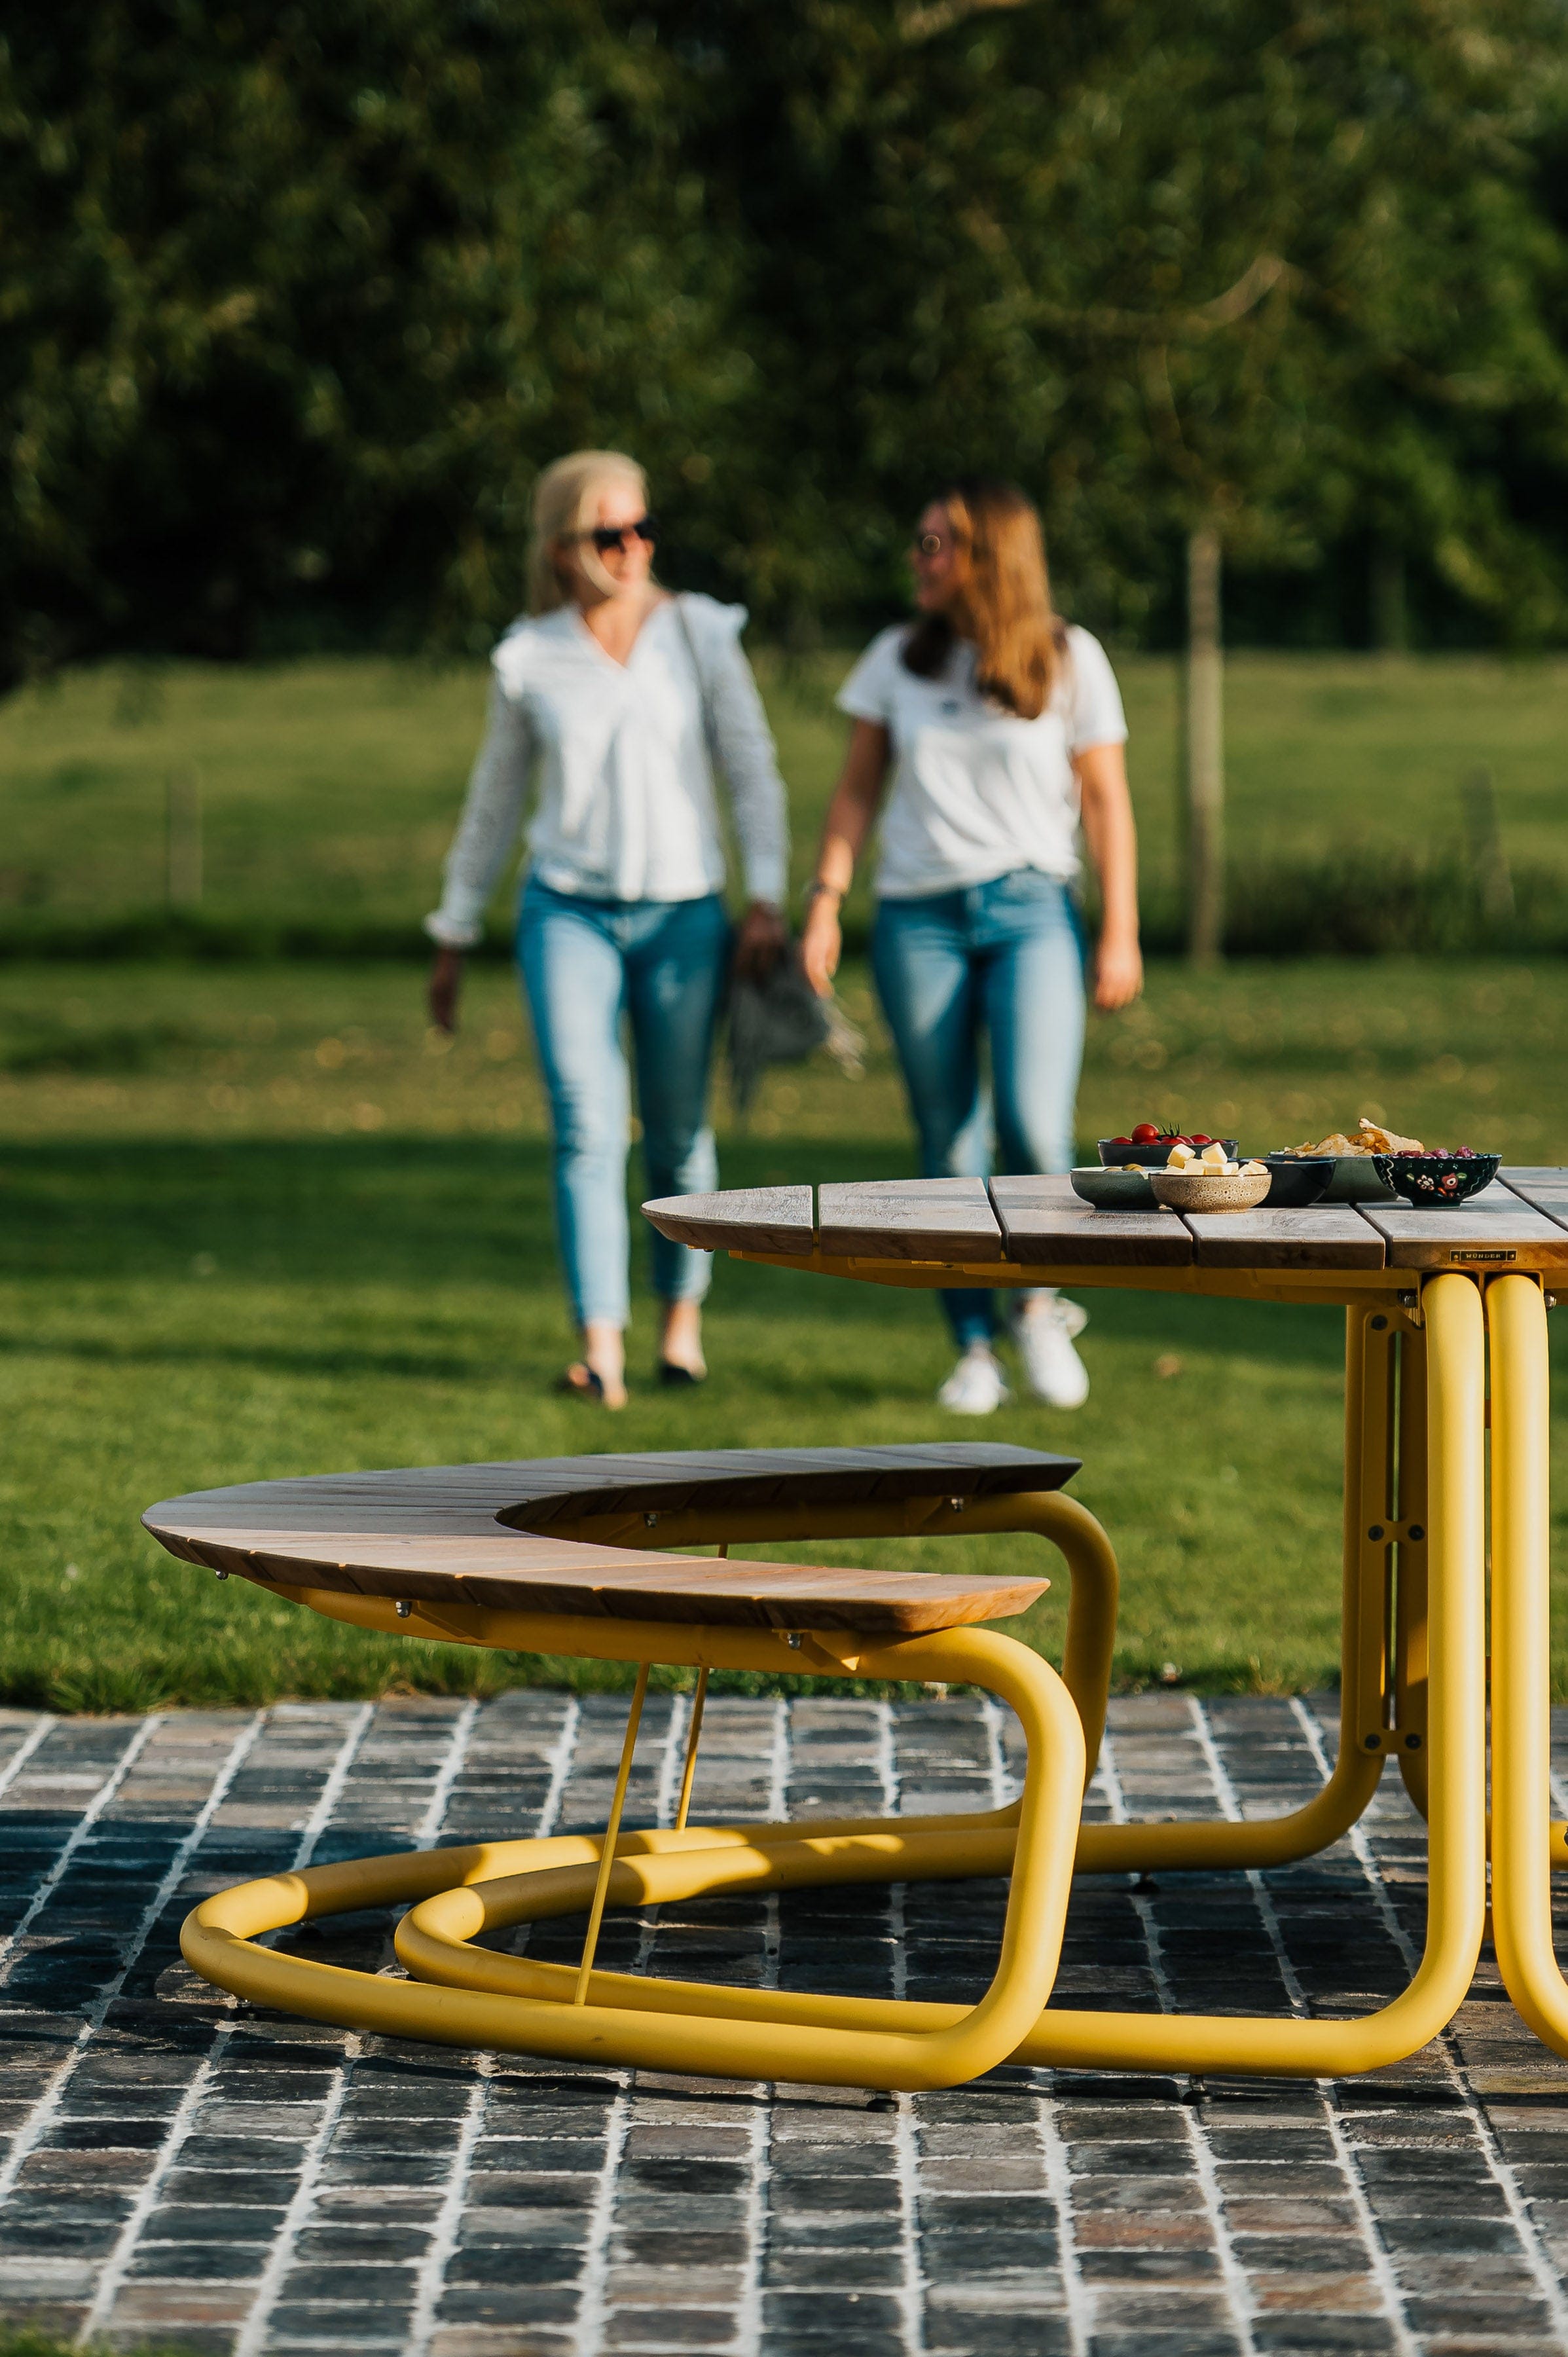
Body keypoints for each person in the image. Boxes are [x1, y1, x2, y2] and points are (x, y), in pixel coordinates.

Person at [426, 449, 789, 1407]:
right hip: (567, 912)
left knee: (677, 1131)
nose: (633, 548)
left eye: (644, 529)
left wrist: (768, 895)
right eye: (609, 534)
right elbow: (494, 801)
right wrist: (454, 927)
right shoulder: (529, 655)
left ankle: (680, 1324)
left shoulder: (700, 632)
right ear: (561, 547)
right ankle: (601, 1349)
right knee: (586, 1125)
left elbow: (751, 768)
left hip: (685, 914)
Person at [801, 477, 1142, 1414]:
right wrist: (825, 902)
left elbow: (1106, 800)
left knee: (1034, 1124)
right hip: (918, 919)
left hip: (1033, 911)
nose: (920, 558)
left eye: (936, 543)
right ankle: (971, 1345)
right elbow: (856, 792)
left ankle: (1037, 1303)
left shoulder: (1069, 658)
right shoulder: (895, 660)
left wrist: (1119, 929)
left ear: (990, 555)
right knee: (948, 1139)